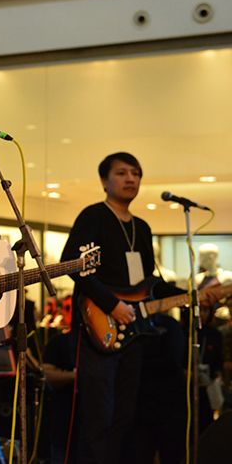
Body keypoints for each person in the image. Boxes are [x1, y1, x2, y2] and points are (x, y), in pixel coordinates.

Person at [60, 151, 155, 464]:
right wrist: (112, 304)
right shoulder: (93, 216)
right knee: (98, 414)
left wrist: (195, 295)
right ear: (104, 181)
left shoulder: (142, 227)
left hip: (133, 332)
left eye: (136, 174)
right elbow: (72, 264)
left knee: (125, 415)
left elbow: (148, 282)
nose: (130, 179)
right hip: (98, 329)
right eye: (122, 173)